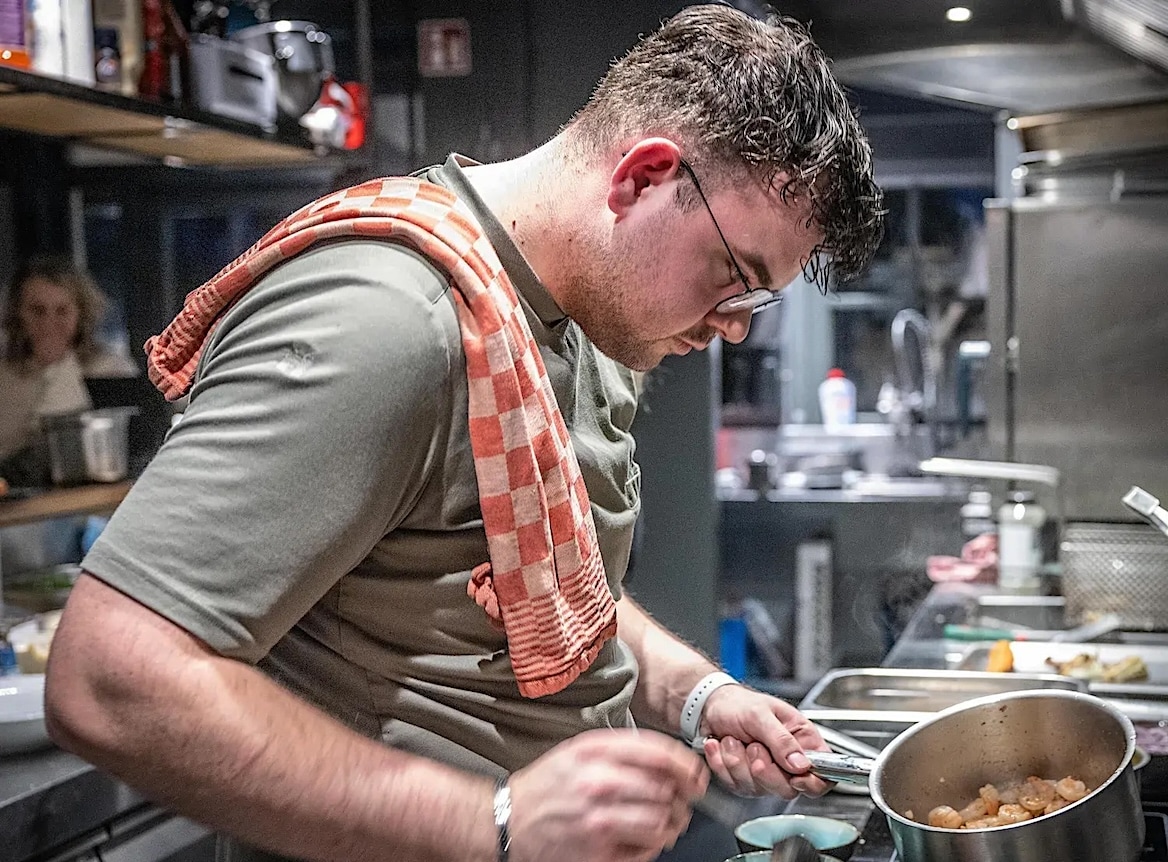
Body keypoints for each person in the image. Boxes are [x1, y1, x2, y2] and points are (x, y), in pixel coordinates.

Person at [44, 7, 883, 862]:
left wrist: (694, 694)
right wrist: (495, 822)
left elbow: (546, 589)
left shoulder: (585, 323)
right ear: (645, 177)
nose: (734, 327)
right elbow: (113, 678)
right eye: (732, 277)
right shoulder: (390, 318)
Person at [0, 254, 137, 469]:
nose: (49, 322)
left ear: (81, 314)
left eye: (61, 311)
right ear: (18, 314)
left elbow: (132, 446)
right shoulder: (4, 376)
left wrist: (63, 367)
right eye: (37, 311)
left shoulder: (111, 369)